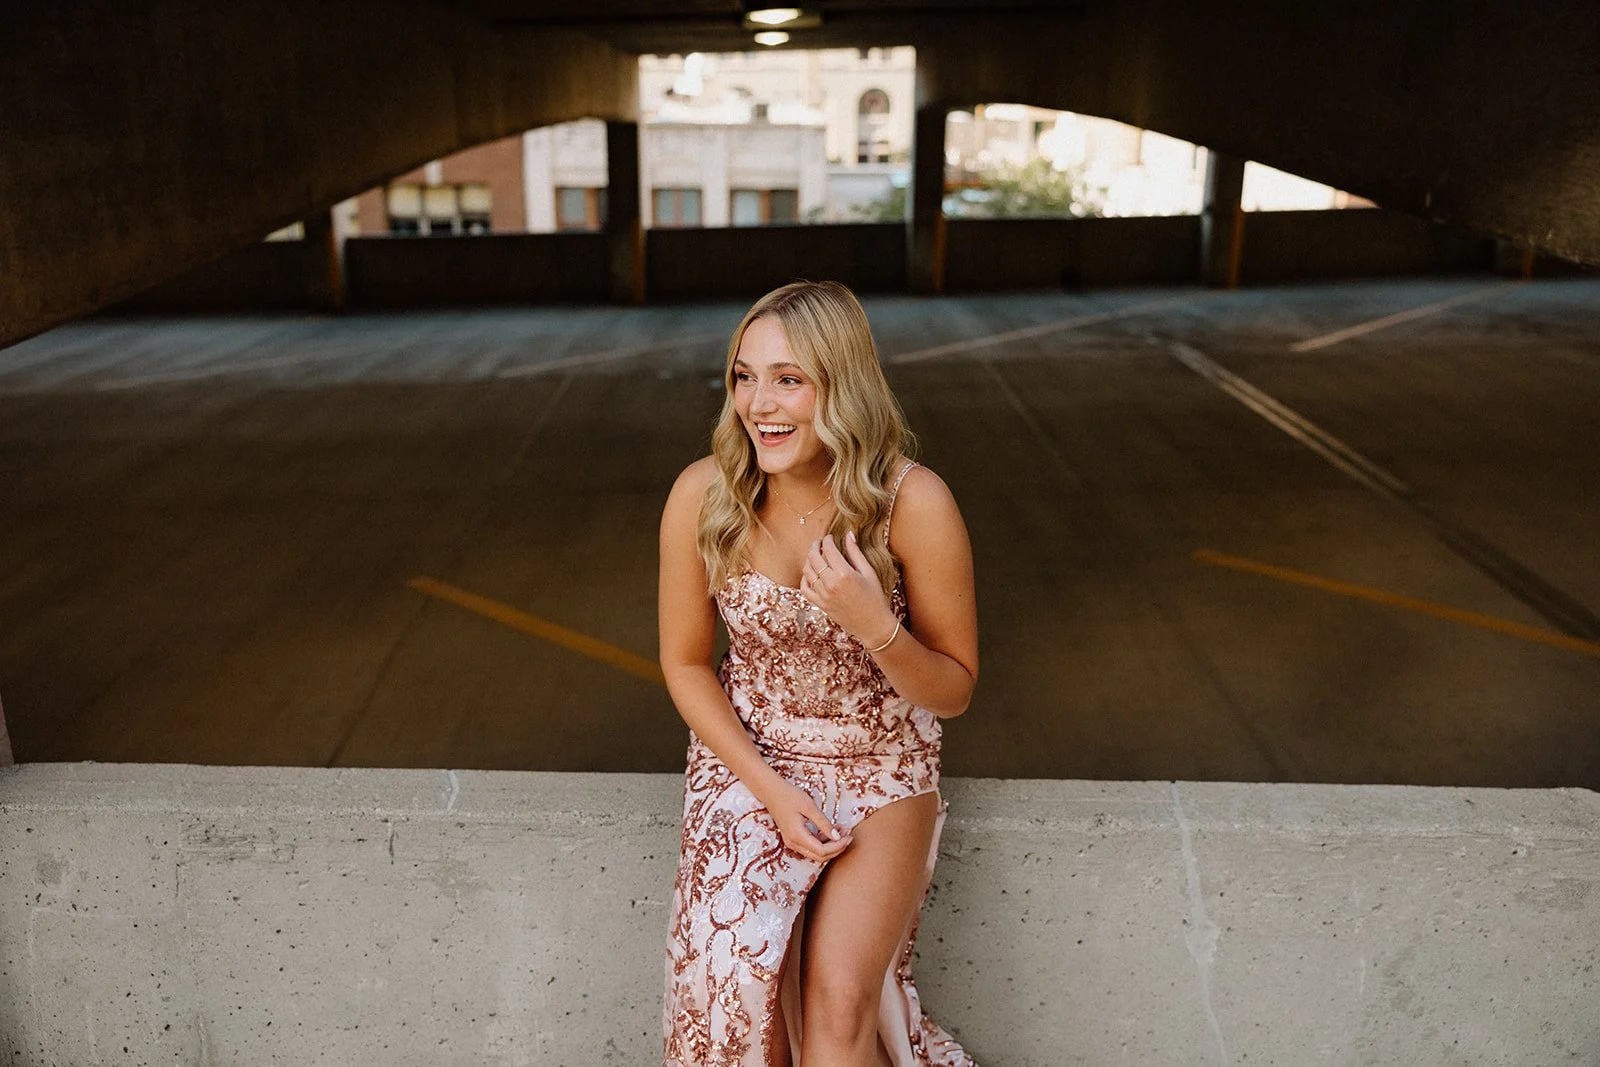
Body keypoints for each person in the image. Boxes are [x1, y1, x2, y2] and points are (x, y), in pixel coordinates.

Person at [659, 281, 979, 1066]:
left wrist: (875, 626)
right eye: (744, 376)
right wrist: (771, 790)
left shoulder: (914, 502)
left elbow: (954, 688)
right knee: (743, 1007)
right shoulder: (704, 494)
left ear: (842, 386)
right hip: (749, 762)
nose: (759, 403)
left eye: (788, 379)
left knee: (839, 1006)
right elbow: (685, 662)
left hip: (881, 766)